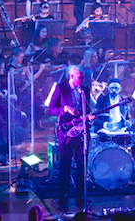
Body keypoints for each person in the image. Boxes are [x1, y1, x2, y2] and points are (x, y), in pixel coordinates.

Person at [47, 66, 94, 204]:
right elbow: (51, 109)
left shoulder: (85, 90)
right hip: (66, 131)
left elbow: (88, 109)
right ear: (71, 76)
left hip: (81, 130)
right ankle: (63, 193)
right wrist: (64, 109)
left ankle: (80, 194)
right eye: (80, 77)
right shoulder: (61, 88)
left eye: (83, 77)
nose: (83, 80)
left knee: (82, 163)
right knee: (65, 163)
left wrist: (89, 116)